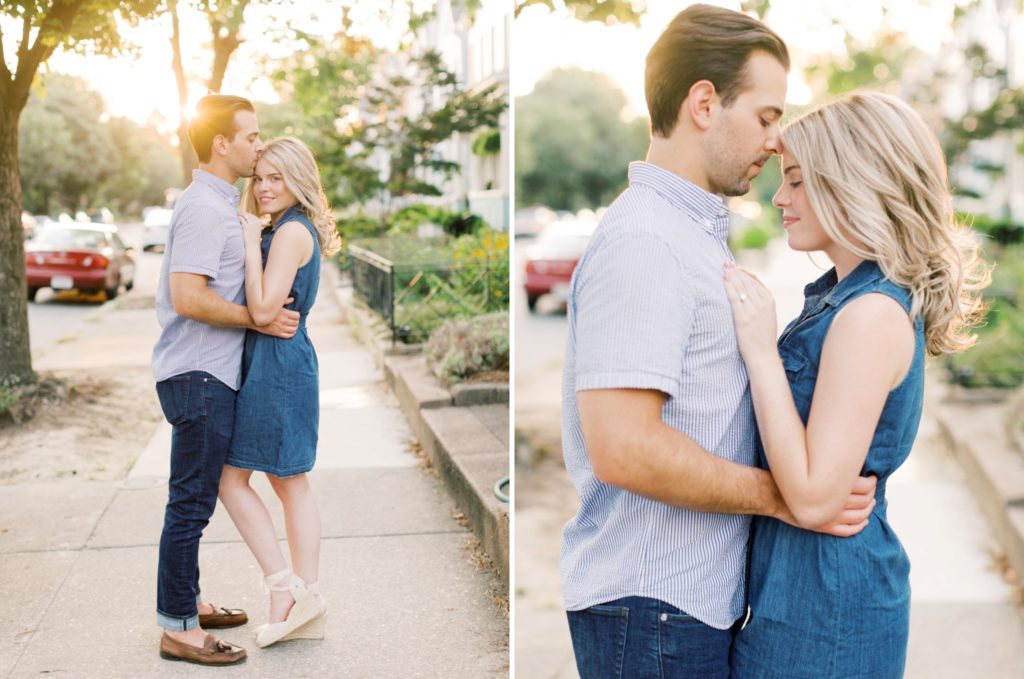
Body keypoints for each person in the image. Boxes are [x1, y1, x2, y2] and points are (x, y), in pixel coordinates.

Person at [561, 5, 877, 677]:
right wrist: (782, 495)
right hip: (650, 609)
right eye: (766, 116)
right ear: (704, 102)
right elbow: (624, 446)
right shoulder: (646, 240)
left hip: (678, 607)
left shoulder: (689, 233)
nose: (776, 139)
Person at [726, 92, 989, 678]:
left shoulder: (869, 315)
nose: (779, 197)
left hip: (827, 616)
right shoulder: (841, 300)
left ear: (852, 183)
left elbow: (817, 497)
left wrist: (759, 347)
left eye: (795, 181)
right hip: (800, 599)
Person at [152, 94, 300, 666]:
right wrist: (255, 317)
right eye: (251, 137)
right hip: (199, 375)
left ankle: (184, 602)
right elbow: (189, 296)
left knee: (195, 500)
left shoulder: (219, 205)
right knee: (189, 503)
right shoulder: (202, 208)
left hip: (207, 374)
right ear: (222, 143)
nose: (258, 146)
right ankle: (180, 629)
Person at [217, 136, 339, 648]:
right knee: (285, 480)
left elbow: (266, 310)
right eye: (259, 178)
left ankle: (286, 589)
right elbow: (266, 314)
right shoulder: (286, 227)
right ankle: (298, 591)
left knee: (245, 479)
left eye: (277, 178)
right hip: (276, 360)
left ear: (298, 180)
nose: (265, 188)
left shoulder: (289, 233)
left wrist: (248, 241)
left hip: (280, 365)